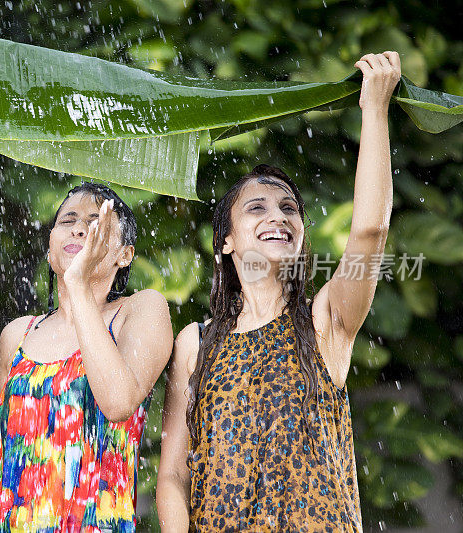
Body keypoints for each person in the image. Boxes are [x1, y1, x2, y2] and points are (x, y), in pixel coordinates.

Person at [156, 51, 401, 531]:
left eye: (289, 208)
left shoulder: (326, 320)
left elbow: (370, 231)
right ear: (226, 243)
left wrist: (374, 109)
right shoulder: (196, 342)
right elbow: (172, 476)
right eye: (256, 208)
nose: (278, 216)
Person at [0, 182, 173, 531]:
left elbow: (118, 401)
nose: (79, 228)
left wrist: (78, 283)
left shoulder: (141, 310)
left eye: (96, 222)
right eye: (68, 220)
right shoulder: (18, 334)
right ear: (50, 249)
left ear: (125, 254)